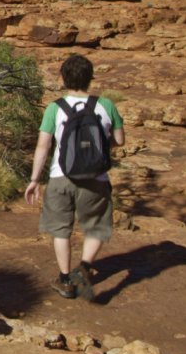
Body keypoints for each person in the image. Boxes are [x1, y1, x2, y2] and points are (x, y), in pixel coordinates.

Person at [25, 54, 124, 301]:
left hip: (61, 176)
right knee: (97, 226)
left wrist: (35, 179)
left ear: (63, 78)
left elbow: (43, 146)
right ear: (91, 78)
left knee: (61, 229)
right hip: (96, 177)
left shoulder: (54, 108)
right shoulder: (106, 105)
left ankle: (65, 279)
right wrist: (95, 149)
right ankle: (85, 266)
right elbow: (120, 140)